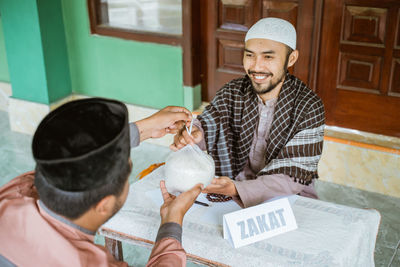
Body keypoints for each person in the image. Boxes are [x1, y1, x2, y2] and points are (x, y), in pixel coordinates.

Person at [0, 98, 203, 266]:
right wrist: (171, 222)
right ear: (103, 205)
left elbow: (69, 153)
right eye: (127, 172)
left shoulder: (14, 192)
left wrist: (144, 129)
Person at [171, 17, 325, 208]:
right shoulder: (233, 91)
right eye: (250, 55)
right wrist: (195, 134)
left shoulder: (308, 105)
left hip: (288, 195)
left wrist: (237, 189)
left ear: (291, 58)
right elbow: (209, 123)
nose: (256, 66)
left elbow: (292, 176)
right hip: (232, 182)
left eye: (268, 57)